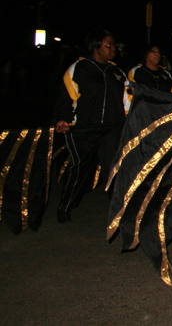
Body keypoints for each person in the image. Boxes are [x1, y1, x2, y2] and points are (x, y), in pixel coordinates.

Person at [54, 30, 129, 223]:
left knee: (114, 169)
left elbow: (127, 101)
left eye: (113, 45)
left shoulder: (117, 72)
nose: (113, 49)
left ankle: (119, 210)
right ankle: (66, 205)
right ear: (95, 47)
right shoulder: (79, 68)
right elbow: (66, 96)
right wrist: (63, 118)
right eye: (109, 45)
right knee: (81, 167)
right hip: (83, 128)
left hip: (112, 128)